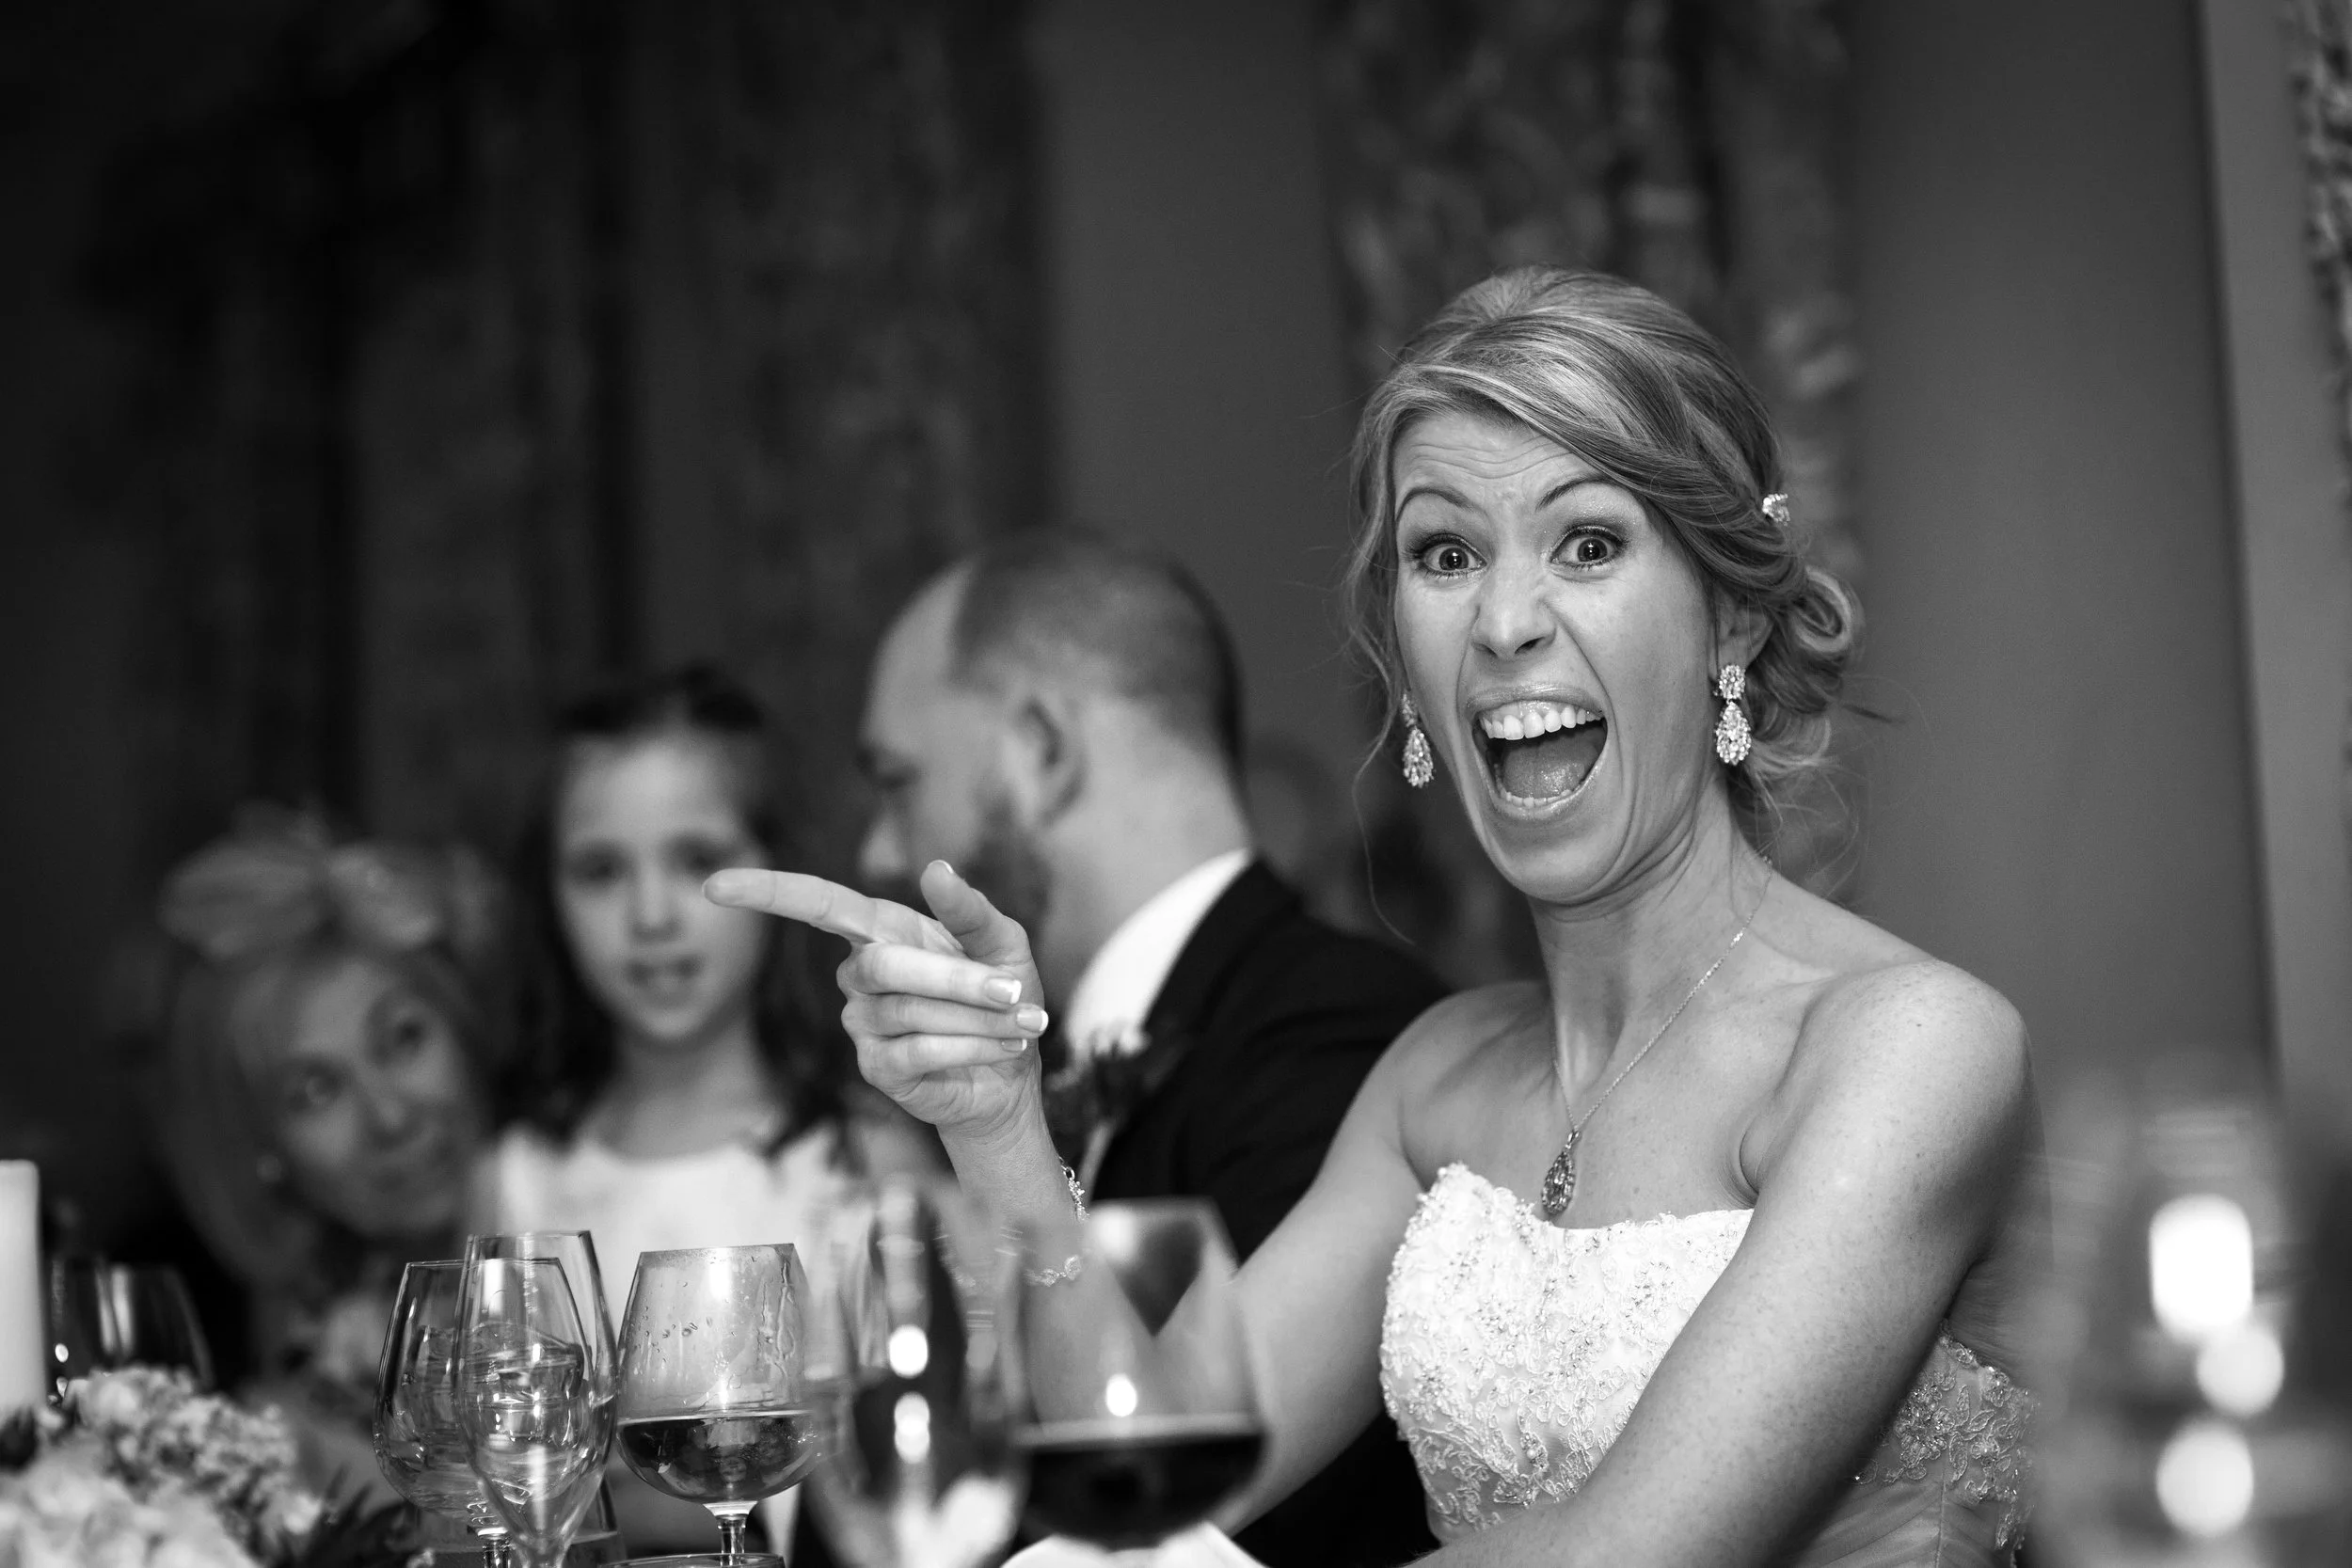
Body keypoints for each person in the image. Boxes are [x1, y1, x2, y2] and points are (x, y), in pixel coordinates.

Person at [710, 269, 2042, 1568]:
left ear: (1731, 621)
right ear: (1402, 664)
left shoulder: (1909, 1049)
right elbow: (1156, 1458)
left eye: (1589, 541)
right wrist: (996, 1121)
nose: (1508, 620)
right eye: (1446, 552)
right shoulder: (1434, 1078)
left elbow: (1631, 1545)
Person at [853, 533, 1446, 1567]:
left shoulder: (1340, 1033)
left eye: (898, 782)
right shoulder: (1034, 1064)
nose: (877, 851)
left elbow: (1214, 1512)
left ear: (1043, 749)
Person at [482, 663, 934, 1552]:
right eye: (601, 869)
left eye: (697, 860)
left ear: (777, 867)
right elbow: (494, 1483)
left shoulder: (867, 1157)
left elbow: (914, 1483)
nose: (651, 915)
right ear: (548, 894)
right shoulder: (516, 1174)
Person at [147, 805, 501, 1502]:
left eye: (402, 1037)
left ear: (459, 1026)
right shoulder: (271, 1446)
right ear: (261, 1150)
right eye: (317, 1090)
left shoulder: (611, 1213)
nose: (390, 1114)